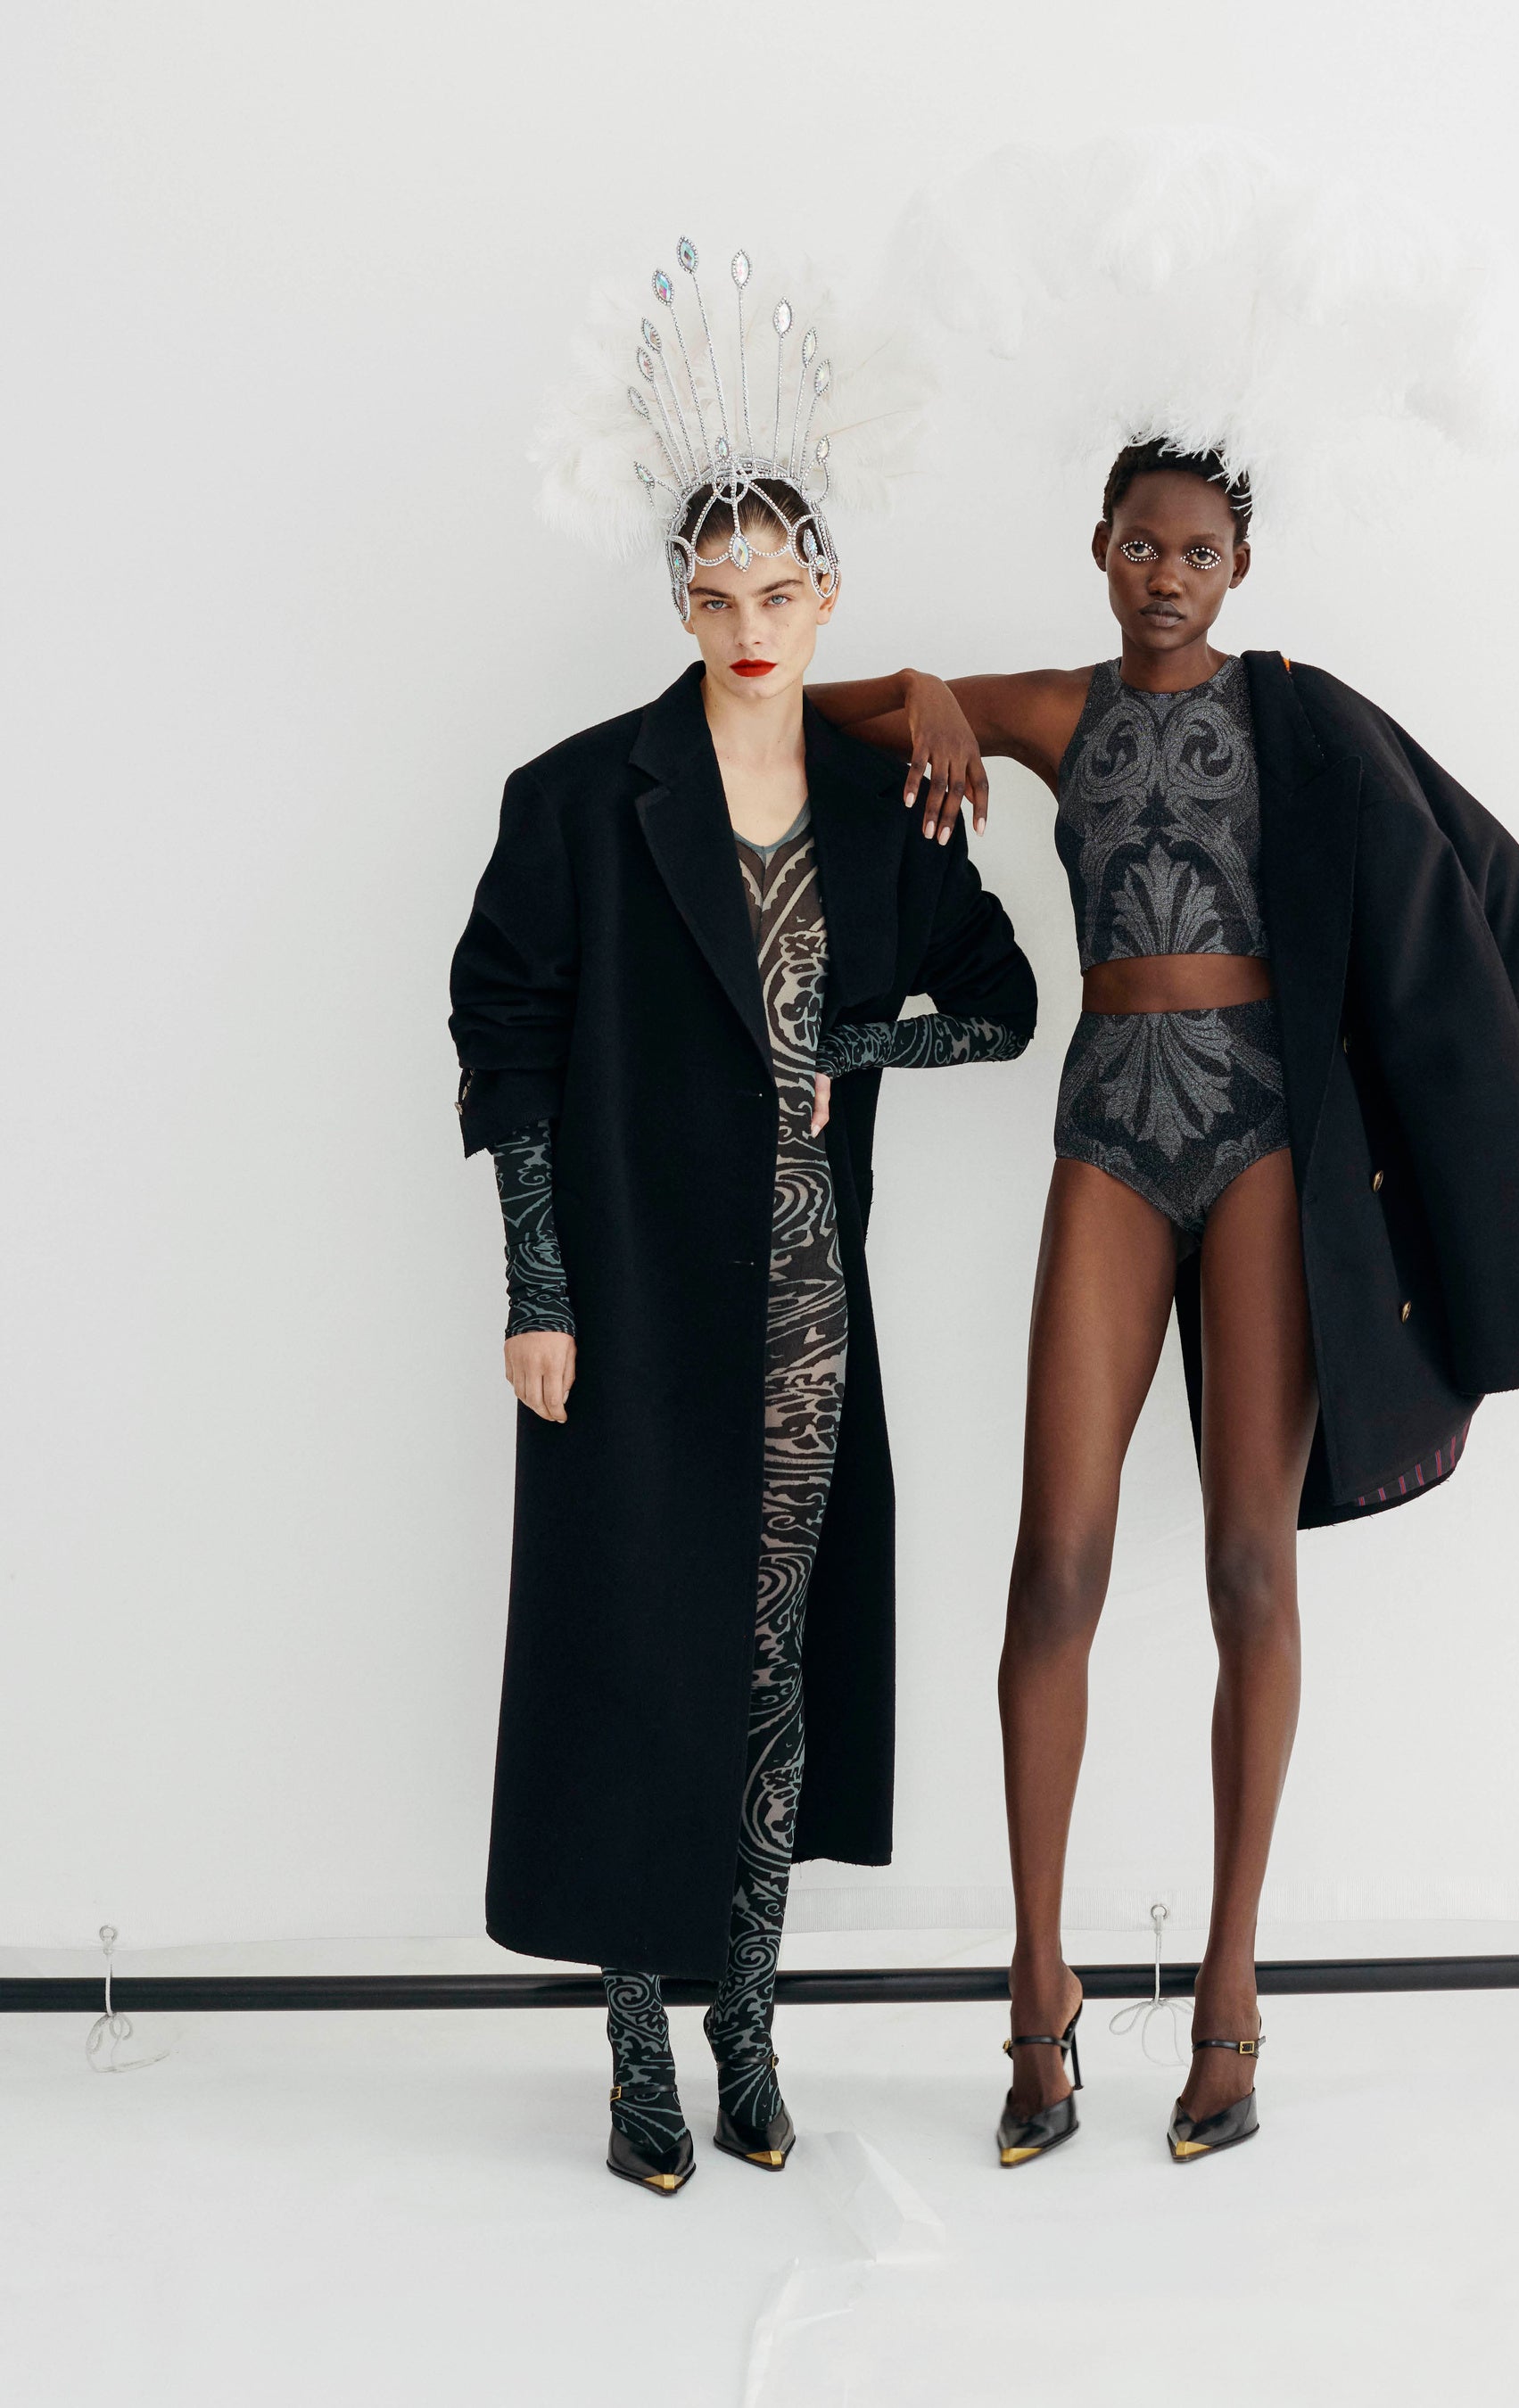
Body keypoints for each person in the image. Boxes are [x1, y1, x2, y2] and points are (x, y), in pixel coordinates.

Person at [808, 439, 1519, 2165]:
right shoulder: (1057, 712)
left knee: (1247, 1570)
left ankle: (1230, 1994)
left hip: (1266, 1147)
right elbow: (817, 716)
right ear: (1099, 547)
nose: (1167, 577)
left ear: (1241, 568)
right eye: (1142, 546)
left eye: (1199, 552)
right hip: (1110, 1140)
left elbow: (1467, 866)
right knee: (1054, 1566)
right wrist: (926, 690)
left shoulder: (1294, 714)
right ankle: (1038, 1989)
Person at [450, 243, 1036, 2196]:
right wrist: (538, 1285)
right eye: (715, 597)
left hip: (804, 1320)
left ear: (827, 592)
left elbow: (1007, 1001)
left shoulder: (879, 813)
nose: (749, 626)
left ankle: (748, 2029)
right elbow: (506, 1036)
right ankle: (639, 2052)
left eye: (780, 593)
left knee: (772, 1674)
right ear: (680, 604)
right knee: (642, 1666)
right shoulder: (580, 799)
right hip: (629, 1305)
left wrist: (861, 1039)